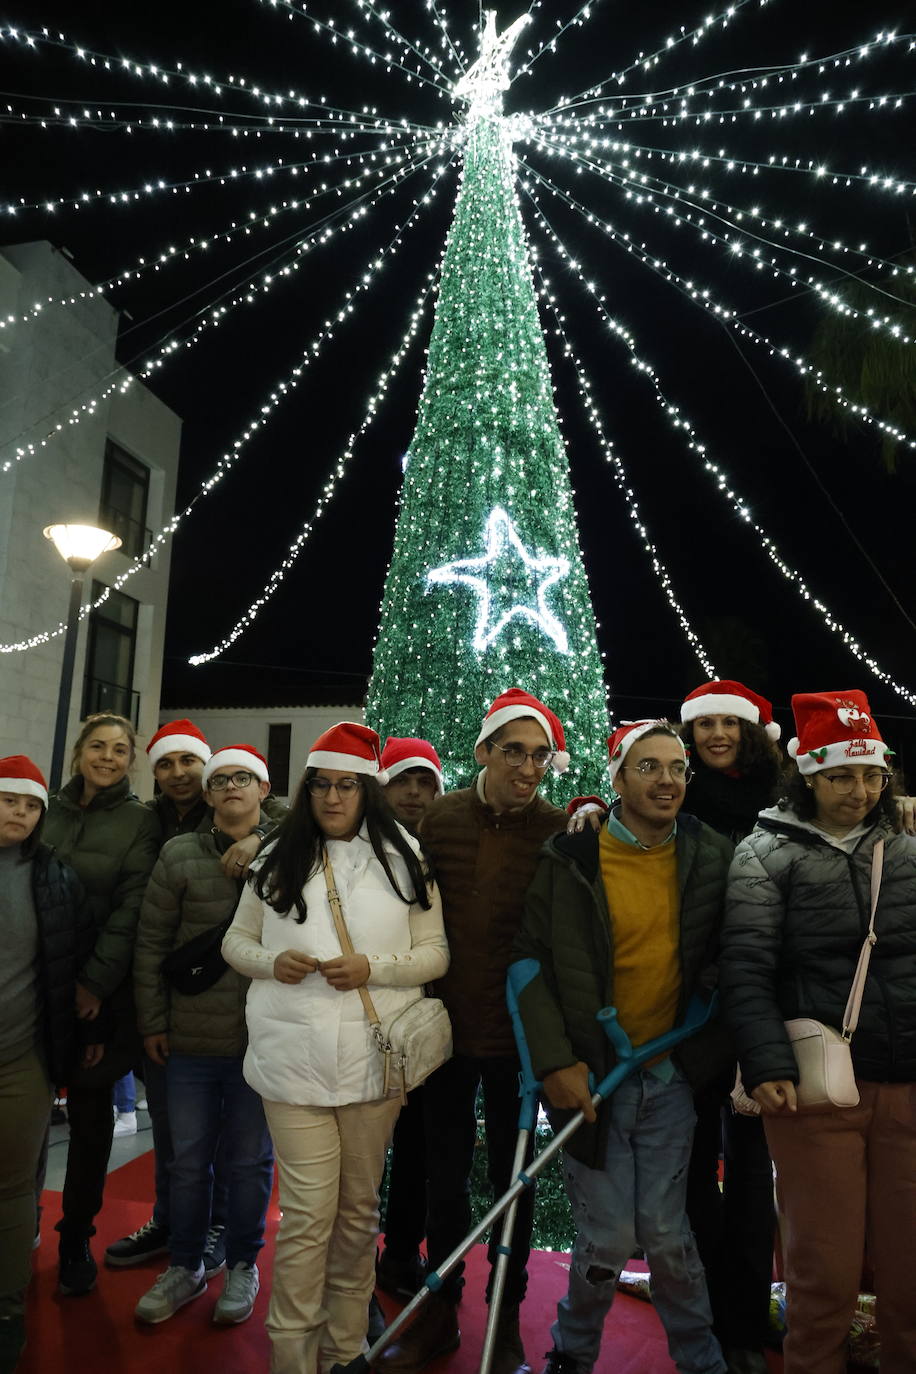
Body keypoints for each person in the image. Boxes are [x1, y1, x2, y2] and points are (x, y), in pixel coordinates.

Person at [222, 722, 448, 1374]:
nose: (332, 796)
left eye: (347, 784)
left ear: (367, 789)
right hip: (289, 1064)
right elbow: (235, 944)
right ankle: (292, 1359)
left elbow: (436, 953)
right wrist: (271, 961)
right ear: (307, 787)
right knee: (306, 1220)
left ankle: (346, 1350)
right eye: (321, 783)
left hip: (373, 1066)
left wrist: (371, 966)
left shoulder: (406, 856)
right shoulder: (274, 857)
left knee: (356, 1218)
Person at [515, 720, 733, 1374]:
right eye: (649, 766)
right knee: (608, 1236)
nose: (666, 780)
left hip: (666, 1077)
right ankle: (571, 1356)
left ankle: (703, 1362)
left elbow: (736, 959)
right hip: (591, 1079)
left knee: (666, 1235)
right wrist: (555, 1064)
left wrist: (700, 1057)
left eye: (677, 768)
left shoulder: (711, 854)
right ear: (618, 777)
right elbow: (530, 963)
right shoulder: (570, 857)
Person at [720, 689, 916, 1374]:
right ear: (807, 774)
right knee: (822, 1274)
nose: (859, 791)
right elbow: (744, 969)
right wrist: (768, 1064)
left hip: (907, 1085)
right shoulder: (764, 853)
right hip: (814, 1089)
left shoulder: (907, 849)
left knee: (910, 1275)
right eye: (840, 776)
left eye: (871, 775)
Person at [380, 688, 571, 1374]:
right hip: (446, 1038)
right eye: (513, 750)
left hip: (522, 1042)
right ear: (483, 751)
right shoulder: (441, 819)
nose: (526, 766)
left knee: (513, 1187)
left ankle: (507, 1319)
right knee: (443, 1182)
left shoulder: (558, 829)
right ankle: (440, 1312)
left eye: (539, 754)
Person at [132, 744, 276, 1326]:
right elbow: (151, 944)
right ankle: (186, 1266)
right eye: (221, 780)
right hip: (189, 1041)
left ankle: (243, 1263)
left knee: (249, 1162)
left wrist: (265, 842)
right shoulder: (177, 854)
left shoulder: (290, 849)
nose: (232, 787)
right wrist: (153, 1022)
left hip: (259, 1041)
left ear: (264, 790)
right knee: (187, 1163)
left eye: (244, 778)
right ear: (208, 793)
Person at [678, 680, 784, 1374]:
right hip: (688, 1001)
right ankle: (706, 1305)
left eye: (728, 722)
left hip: (765, 995)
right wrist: (592, 804)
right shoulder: (676, 793)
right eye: (704, 723)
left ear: (749, 731)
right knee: (689, 1167)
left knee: (753, 1171)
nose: (716, 732)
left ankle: (747, 1315)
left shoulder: (783, 797)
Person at [42, 713, 161, 1296]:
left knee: (89, 1129)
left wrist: (94, 982)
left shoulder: (140, 822)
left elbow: (132, 908)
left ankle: (74, 1241)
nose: (108, 757)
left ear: (130, 760)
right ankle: (19, 1230)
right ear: (78, 753)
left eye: (120, 749)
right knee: (23, 1118)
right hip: (38, 990)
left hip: (101, 999)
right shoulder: (49, 811)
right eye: (98, 746)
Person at [0, 756, 101, 1374]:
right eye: (9, 799)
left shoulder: (55, 880)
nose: (20, 812)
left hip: (22, 1060)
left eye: (31, 805)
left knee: (11, 1190)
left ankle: (7, 1307)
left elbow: (72, 964)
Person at [375, 737, 446, 1302]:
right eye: (403, 781)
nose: (415, 793)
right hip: (370, 1019)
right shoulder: (358, 844)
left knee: (423, 1148)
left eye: (425, 783)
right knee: (367, 1148)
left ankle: (400, 1252)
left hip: (435, 1022)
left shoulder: (445, 843)